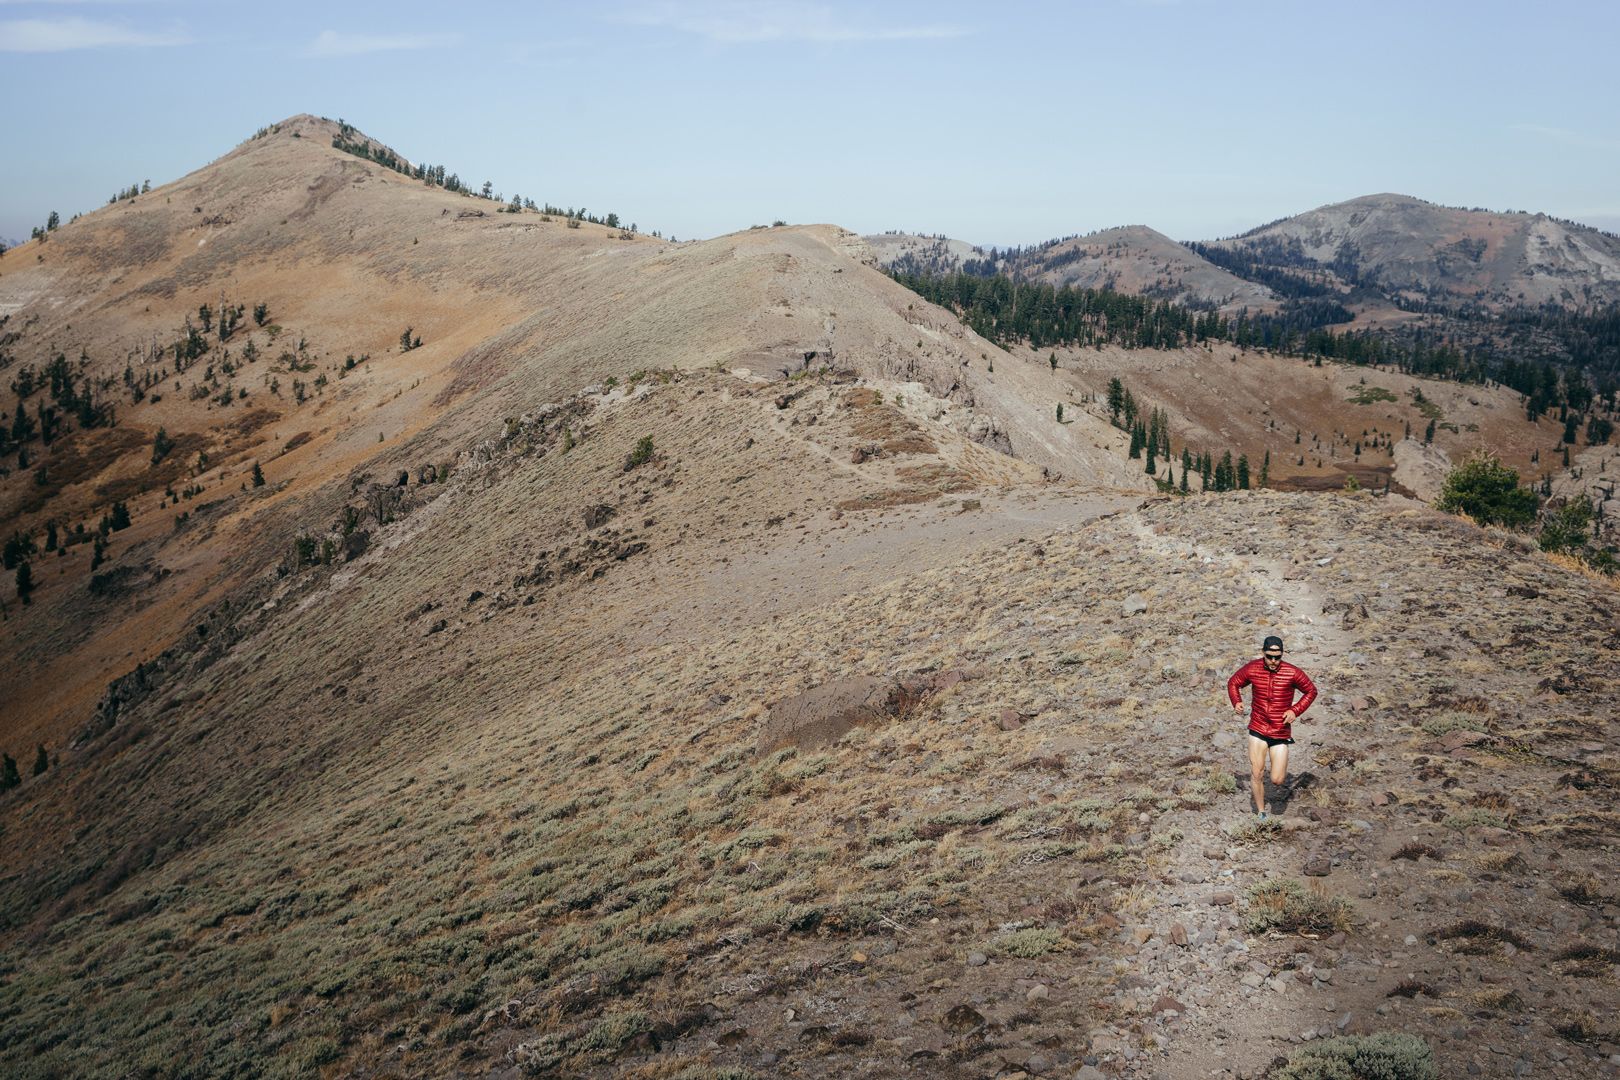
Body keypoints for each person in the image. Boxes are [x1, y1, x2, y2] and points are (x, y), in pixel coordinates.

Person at [1228, 635, 1317, 819]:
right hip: (1258, 727)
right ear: (1263, 653)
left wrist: (1295, 710)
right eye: (1270, 657)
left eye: (1278, 657)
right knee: (1256, 771)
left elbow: (1311, 691)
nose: (1274, 661)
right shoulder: (1253, 668)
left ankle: (1274, 792)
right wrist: (1236, 701)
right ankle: (1261, 813)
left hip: (1280, 731)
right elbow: (1234, 682)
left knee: (1277, 779)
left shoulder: (1292, 672)